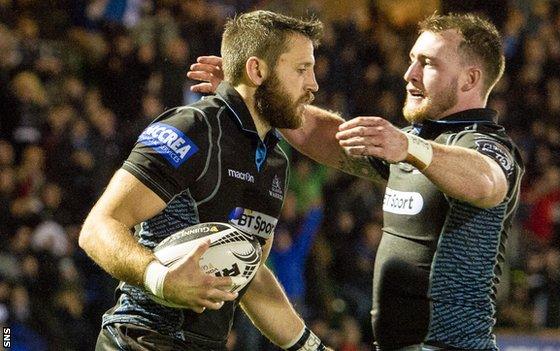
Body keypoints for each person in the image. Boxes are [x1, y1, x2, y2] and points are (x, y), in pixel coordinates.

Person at [189, 12, 524, 350]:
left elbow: (487, 182)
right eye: (411, 60)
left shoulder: (485, 144)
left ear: (469, 80)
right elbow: (320, 135)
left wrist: (408, 146)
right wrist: (257, 92)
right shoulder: (412, 145)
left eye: (428, 63)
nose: (410, 74)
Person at [79, 10, 331, 351]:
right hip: (143, 339)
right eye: (302, 69)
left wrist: (312, 348)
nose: (313, 84)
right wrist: (161, 279)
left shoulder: (275, 161)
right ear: (257, 70)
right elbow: (98, 227)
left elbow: (250, 276)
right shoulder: (191, 128)